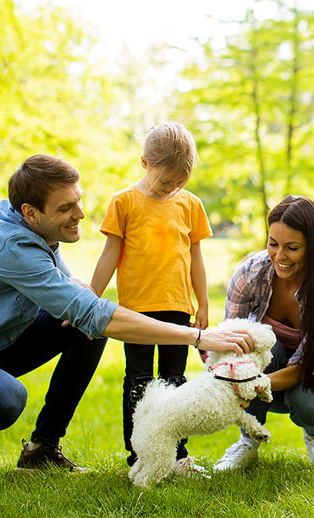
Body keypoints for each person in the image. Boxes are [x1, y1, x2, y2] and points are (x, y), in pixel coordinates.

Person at [0, 153, 253, 482]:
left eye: (79, 200)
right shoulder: (11, 245)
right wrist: (196, 336)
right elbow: (93, 311)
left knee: (86, 330)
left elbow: (74, 296)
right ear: (30, 212)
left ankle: (42, 448)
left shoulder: (26, 223)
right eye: (66, 208)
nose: (81, 214)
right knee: (5, 399)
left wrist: (81, 294)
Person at [90, 122, 212, 473]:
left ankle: (177, 457)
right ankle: (140, 455)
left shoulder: (191, 205)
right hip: (137, 312)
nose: (172, 188)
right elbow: (109, 255)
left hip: (177, 307)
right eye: (165, 181)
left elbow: (196, 257)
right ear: (144, 163)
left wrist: (202, 303)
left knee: (175, 385)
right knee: (139, 383)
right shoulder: (124, 202)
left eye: (180, 182)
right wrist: (90, 302)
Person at [213, 195, 314, 471]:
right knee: (248, 347)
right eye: (273, 244)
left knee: (309, 402)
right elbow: (229, 341)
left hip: (313, 378)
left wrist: (252, 383)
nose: (279, 256)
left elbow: (306, 367)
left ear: (313, 247)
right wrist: (231, 373)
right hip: (267, 369)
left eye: (292, 248)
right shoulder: (250, 274)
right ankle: (248, 442)